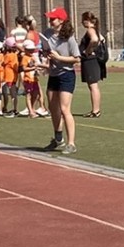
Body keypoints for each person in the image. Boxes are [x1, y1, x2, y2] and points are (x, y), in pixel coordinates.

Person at [41, 9, 79, 154]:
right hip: (53, 74)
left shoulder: (69, 38)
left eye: (53, 19)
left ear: (61, 20)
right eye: (50, 19)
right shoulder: (48, 33)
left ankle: (71, 143)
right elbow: (46, 49)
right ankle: (58, 138)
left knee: (64, 109)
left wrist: (59, 57)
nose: (50, 21)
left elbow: (76, 58)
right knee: (53, 108)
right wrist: (46, 54)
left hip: (66, 75)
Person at [78, 11, 107, 117]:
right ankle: (95, 110)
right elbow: (101, 40)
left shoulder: (90, 30)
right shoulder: (97, 30)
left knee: (93, 86)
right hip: (95, 61)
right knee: (94, 86)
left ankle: (95, 110)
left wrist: (87, 51)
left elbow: (94, 39)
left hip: (90, 61)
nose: (82, 23)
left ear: (87, 20)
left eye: (82, 20)